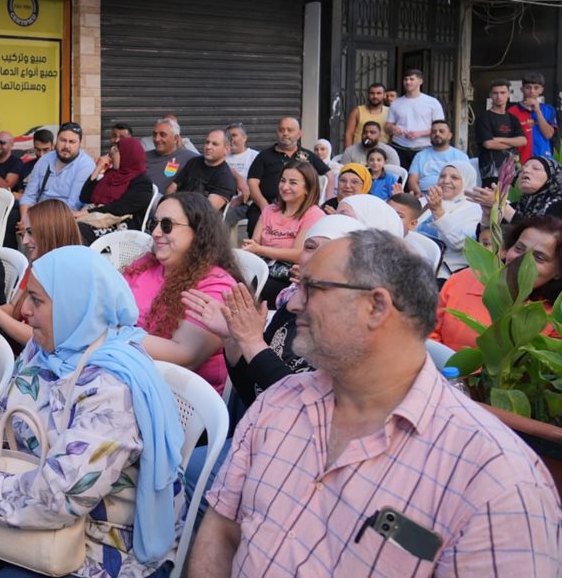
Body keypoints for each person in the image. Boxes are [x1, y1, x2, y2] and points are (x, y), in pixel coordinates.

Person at [189, 229, 562, 576]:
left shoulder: (499, 481)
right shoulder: (281, 401)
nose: (295, 303)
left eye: (312, 288)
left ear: (376, 307)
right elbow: (222, 528)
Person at [0, 246, 186, 578]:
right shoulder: (48, 350)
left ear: (74, 305)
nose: (24, 309)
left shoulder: (112, 387)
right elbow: (7, 422)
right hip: (26, 498)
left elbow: (63, 495)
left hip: (96, 539)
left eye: (37, 300)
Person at [186, 214, 366, 411]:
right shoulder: (290, 306)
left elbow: (301, 406)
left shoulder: (350, 334)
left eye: (329, 250)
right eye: (310, 247)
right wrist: (232, 338)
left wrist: (251, 341)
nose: (316, 257)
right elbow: (253, 391)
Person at [125, 193, 244, 393]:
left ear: (198, 232)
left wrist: (109, 336)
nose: (155, 232)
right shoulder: (147, 265)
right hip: (132, 373)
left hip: (178, 396)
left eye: (167, 225)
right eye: (154, 223)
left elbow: (184, 355)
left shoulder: (216, 285)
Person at [433, 216, 562, 351]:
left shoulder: (555, 319)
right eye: (519, 248)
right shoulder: (467, 278)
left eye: (538, 257)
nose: (522, 260)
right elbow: (427, 330)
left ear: (558, 272)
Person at [0, 199, 82, 347]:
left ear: (51, 232)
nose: (24, 241)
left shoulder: (69, 278)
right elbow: (13, 308)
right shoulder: (35, 266)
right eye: (24, 233)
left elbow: (41, 339)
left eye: (30, 233)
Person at [244, 162, 325, 304]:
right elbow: (255, 242)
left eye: (293, 183)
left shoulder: (313, 214)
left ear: (307, 188)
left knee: (252, 289)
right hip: (262, 268)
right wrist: (251, 246)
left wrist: (259, 249)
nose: (285, 187)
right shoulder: (270, 210)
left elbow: (298, 254)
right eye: (282, 180)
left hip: (289, 275)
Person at [245, 117, 328, 233]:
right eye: (281, 130)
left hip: (301, 207)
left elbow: (329, 175)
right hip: (267, 204)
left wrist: (326, 200)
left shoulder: (307, 155)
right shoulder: (264, 156)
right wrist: (264, 206)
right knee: (255, 223)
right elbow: (252, 182)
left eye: (290, 130)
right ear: (277, 133)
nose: (285, 133)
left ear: (299, 134)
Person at [77, 135, 154, 241]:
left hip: (122, 228)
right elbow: (85, 197)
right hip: (100, 219)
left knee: (78, 231)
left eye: (116, 151)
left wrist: (87, 212)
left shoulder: (142, 183)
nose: (111, 154)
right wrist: (98, 168)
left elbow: (119, 208)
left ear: (127, 155)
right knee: (66, 226)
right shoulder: (112, 175)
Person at [415, 161, 481, 275]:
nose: (445, 181)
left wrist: (438, 212)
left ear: (467, 181)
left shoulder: (475, 210)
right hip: (411, 259)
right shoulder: (425, 201)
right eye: (442, 176)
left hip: (443, 270)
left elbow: (459, 243)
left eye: (454, 178)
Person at [19, 122, 96, 212]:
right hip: (39, 211)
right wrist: (24, 218)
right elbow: (29, 196)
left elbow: (73, 205)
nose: (66, 146)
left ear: (79, 144)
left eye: (72, 142)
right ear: (56, 141)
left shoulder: (86, 165)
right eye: (62, 140)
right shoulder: (45, 160)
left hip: (66, 215)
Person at [470, 155, 562, 225]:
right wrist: (488, 215)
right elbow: (484, 239)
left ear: (552, 177)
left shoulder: (558, 207)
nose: (526, 170)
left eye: (536, 168)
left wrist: (501, 205)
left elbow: (538, 235)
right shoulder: (517, 207)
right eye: (523, 169)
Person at [385, 68, 445, 169]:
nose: (408, 82)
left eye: (411, 79)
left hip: (424, 148)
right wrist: (393, 128)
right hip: (399, 147)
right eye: (406, 79)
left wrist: (419, 133)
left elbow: (440, 128)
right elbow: (387, 126)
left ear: (420, 81)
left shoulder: (432, 102)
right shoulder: (396, 103)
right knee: (399, 176)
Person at [169, 129, 238, 211]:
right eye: (207, 142)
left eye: (215, 144)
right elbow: (173, 187)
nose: (208, 147)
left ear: (226, 150)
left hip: (194, 216)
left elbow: (206, 211)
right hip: (174, 208)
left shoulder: (225, 178)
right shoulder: (193, 162)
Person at [475, 79, 527, 186]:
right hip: (491, 172)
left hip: (512, 171)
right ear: (490, 95)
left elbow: (523, 141)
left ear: (509, 94)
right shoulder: (483, 118)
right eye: (495, 93)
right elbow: (489, 144)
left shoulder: (513, 118)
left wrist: (500, 139)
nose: (499, 96)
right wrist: (513, 143)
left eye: (503, 93)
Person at [405, 120, 467, 196]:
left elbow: (466, 180)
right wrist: (419, 194)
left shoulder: (460, 156)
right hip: (425, 194)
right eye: (434, 132)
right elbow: (412, 181)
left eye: (441, 131)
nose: (437, 134)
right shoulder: (420, 156)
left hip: (451, 195)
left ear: (450, 135)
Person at [510, 71, 557, 163]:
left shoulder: (549, 110)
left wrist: (537, 110)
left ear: (541, 90)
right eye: (528, 87)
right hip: (520, 161)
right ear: (522, 89)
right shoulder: (512, 111)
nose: (532, 91)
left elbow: (548, 135)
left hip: (543, 160)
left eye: (536, 87)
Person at [145, 118, 196, 194]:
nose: (157, 139)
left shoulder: (190, 158)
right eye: (155, 134)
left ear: (175, 138)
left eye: (162, 135)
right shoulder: (143, 157)